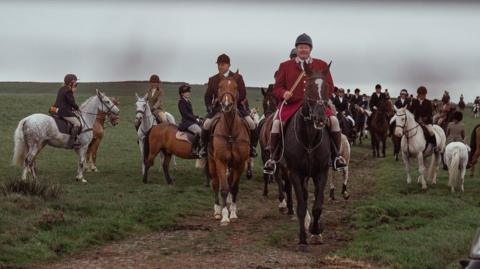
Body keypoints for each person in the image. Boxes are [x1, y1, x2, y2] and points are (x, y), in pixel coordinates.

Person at [264, 33, 346, 173]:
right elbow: (277, 88)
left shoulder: (321, 64)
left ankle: (336, 156)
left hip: (316, 105)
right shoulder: (285, 66)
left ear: (310, 49)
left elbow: (330, 86)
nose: (303, 50)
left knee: (334, 121)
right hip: (292, 105)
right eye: (300, 47)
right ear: (296, 49)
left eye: (306, 47)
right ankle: (273, 158)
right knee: (277, 123)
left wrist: (322, 99)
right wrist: (284, 93)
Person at [200, 53, 257, 158]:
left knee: (252, 124)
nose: (220, 66)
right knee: (206, 124)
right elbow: (207, 96)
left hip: (236, 107)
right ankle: (203, 148)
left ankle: (252, 148)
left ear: (229, 65)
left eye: (223, 64)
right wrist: (209, 107)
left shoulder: (238, 78)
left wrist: (233, 101)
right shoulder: (213, 79)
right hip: (218, 109)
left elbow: (243, 93)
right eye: (219, 64)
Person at [52, 74, 81, 148]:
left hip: (55, 110)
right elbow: (72, 103)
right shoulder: (68, 90)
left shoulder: (62, 88)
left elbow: (65, 102)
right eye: (75, 83)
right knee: (77, 123)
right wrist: (78, 109)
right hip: (63, 111)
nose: (76, 84)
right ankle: (72, 142)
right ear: (71, 82)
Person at [177, 84, 203, 157]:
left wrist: (198, 117)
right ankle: (194, 149)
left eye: (188, 91)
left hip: (191, 121)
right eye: (186, 92)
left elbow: (190, 114)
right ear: (182, 94)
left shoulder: (188, 102)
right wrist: (195, 119)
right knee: (199, 131)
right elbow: (185, 115)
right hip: (186, 123)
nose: (188, 93)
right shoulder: (181, 102)